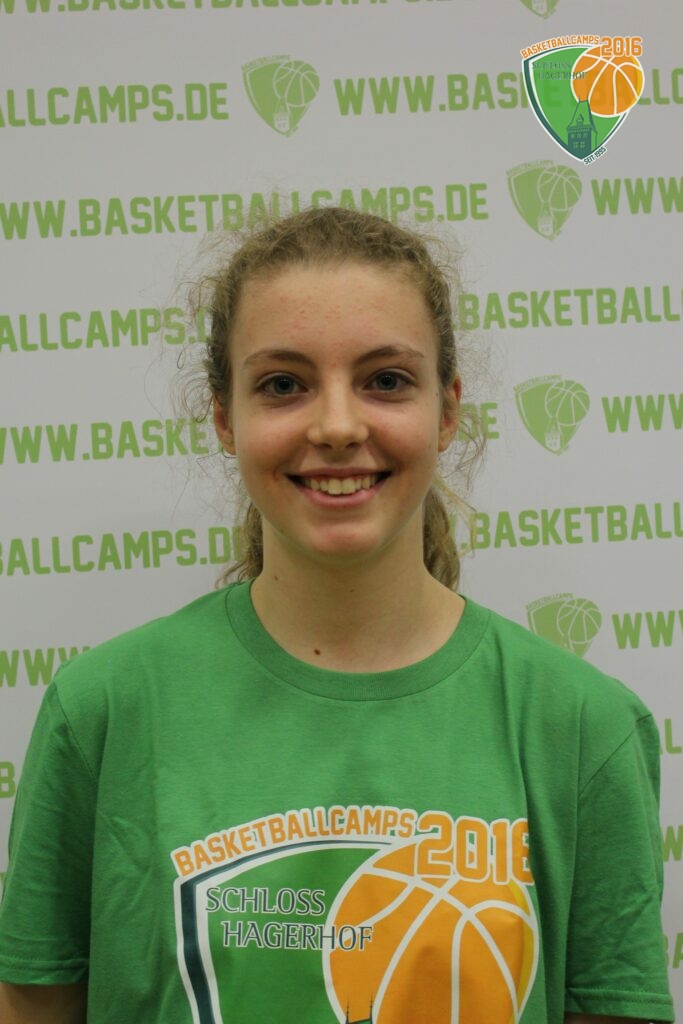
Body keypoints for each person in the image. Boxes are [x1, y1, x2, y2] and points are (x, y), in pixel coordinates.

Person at [0, 207, 674, 1024]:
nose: (337, 427)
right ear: (225, 418)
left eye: (385, 380)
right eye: (283, 385)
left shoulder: (581, 728)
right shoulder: (102, 711)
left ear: (447, 410)